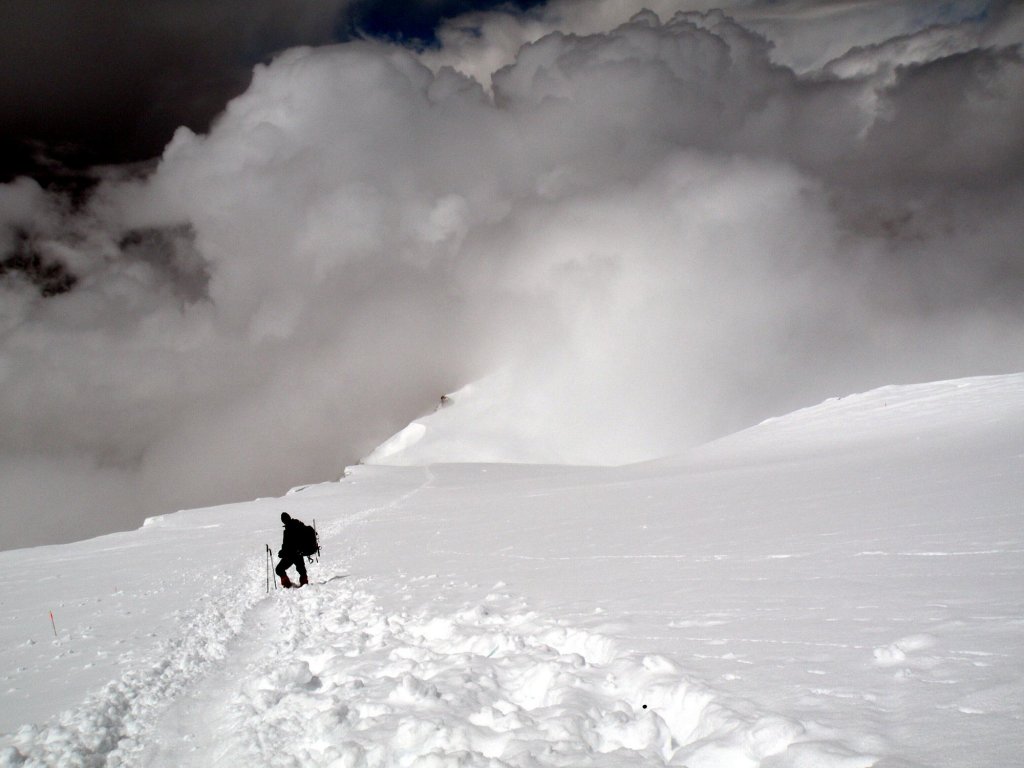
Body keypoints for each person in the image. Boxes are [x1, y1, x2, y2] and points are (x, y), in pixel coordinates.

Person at [276, 512, 309, 588]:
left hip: (291, 555)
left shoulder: (288, 530)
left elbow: (288, 545)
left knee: (279, 569)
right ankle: (305, 585)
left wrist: (282, 553)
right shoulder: (298, 525)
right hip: (299, 553)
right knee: (302, 571)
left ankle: (287, 585)